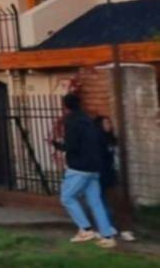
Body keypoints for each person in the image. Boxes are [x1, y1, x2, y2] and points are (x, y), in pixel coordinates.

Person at [55, 93, 117, 248]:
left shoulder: (71, 121)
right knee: (95, 202)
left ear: (66, 106)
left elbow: (72, 146)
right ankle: (107, 236)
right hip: (95, 168)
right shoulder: (88, 120)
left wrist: (58, 145)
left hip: (79, 168)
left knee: (67, 197)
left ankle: (86, 229)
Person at [98, 116, 138, 242]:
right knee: (103, 202)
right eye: (105, 123)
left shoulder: (112, 140)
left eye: (109, 122)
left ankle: (124, 229)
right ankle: (109, 227)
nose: (108, 125)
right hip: (102, 175)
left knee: (116, 202)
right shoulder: (99, 141)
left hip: (112, 174)